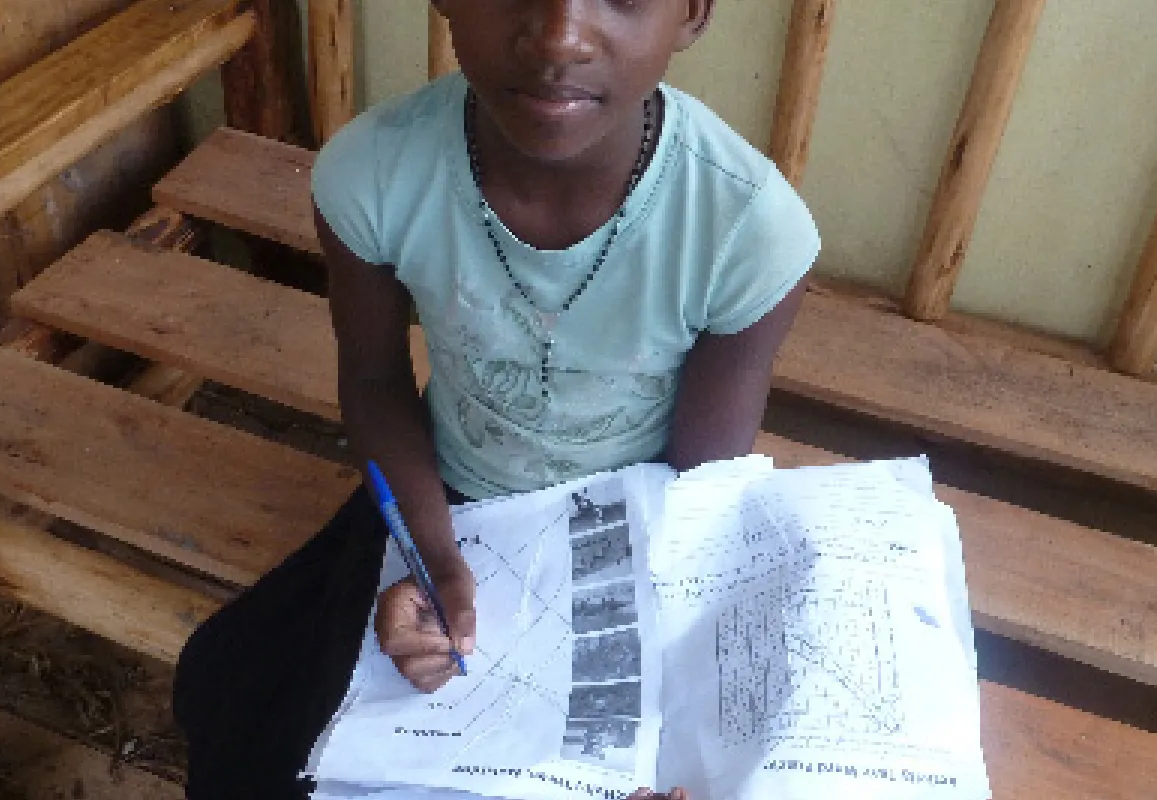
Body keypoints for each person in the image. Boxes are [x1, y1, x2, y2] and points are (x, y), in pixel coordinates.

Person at [173, 0, 818, 796]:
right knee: (251, 717)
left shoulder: (747, 227)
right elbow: (374, 382)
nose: (558, 36)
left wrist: (667, 705)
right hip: (445, 500)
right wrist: (428, 559)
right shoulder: (374, 172)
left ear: (691, 13)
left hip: (639, 532)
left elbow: (701, 491)